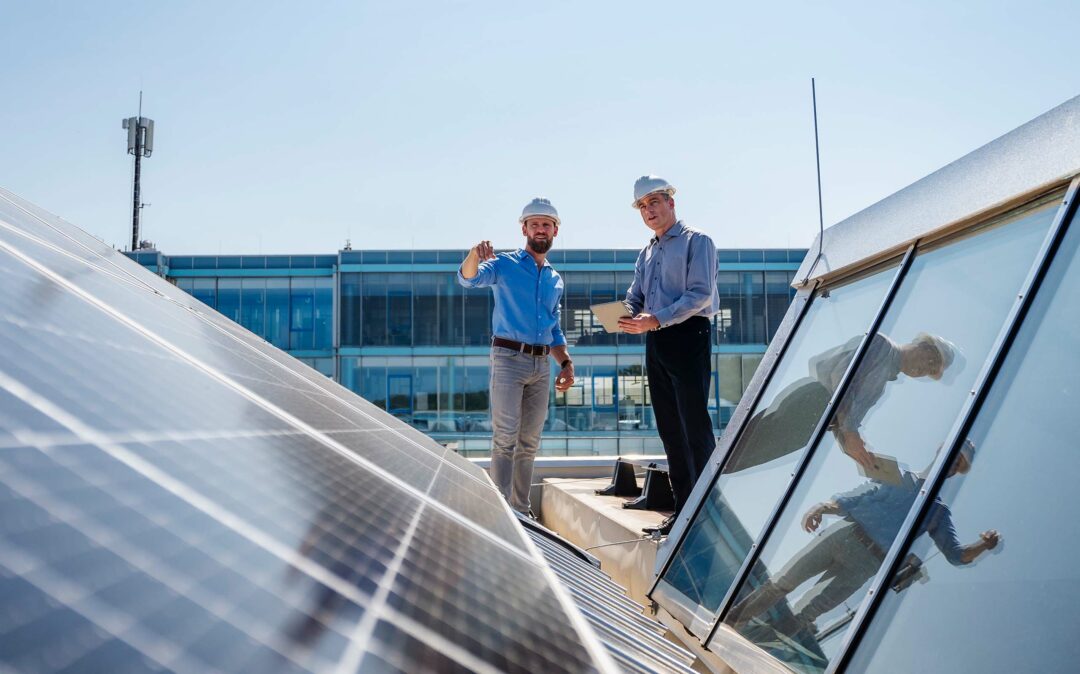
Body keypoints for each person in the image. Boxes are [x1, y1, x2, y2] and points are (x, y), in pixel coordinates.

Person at [726, 440, 1000, 635]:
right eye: (953, 456)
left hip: (868, 563)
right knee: (783, 582)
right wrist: (823, 507)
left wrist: (984, 545)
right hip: (843, 536)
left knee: (807, 612)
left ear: (956, 472)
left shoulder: (938, 512)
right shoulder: (899, 475)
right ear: (941, 451)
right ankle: (729, 624)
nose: (952, 464)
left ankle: (758, 651)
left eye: (958, 464)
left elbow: (957, 555)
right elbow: (859, 496)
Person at [458, 197, 575, 515]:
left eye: (546, 224)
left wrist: (564, 363)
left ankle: (521, 511)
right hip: (508, 359)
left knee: (530, 442)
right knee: (505, 437)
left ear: (555, 230)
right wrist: (472, 255)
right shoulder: (505, 265)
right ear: (524, 228)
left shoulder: (554, 279)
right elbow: (468, 278)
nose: (540, 229)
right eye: (534, 224)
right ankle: (500, 513)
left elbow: (554, 329)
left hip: (541, 365)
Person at [618, 176, 720, 535]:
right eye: (643, 206)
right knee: (670, 428)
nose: (649, 210)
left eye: (655, 202)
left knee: (693, 424)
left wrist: (656, 318)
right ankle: (683, 511)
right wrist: (624, 311)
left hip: (688, 334)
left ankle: (708, 510)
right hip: (656, 338)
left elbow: (700, 295)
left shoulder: (697, 241)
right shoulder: (646, 253)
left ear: (671, 203)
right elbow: (636, 295)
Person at [727, 331, 958, 473]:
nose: (923, 369)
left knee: (744, 458)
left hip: (815, 418)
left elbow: (843, 414)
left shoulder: (886, 372)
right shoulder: (882, 346)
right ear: (923, 345)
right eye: (929, 360)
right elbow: (841, 378)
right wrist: (850, 433)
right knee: (739, 454)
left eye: (930, 370)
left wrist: (851, 445)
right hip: (810, 405)